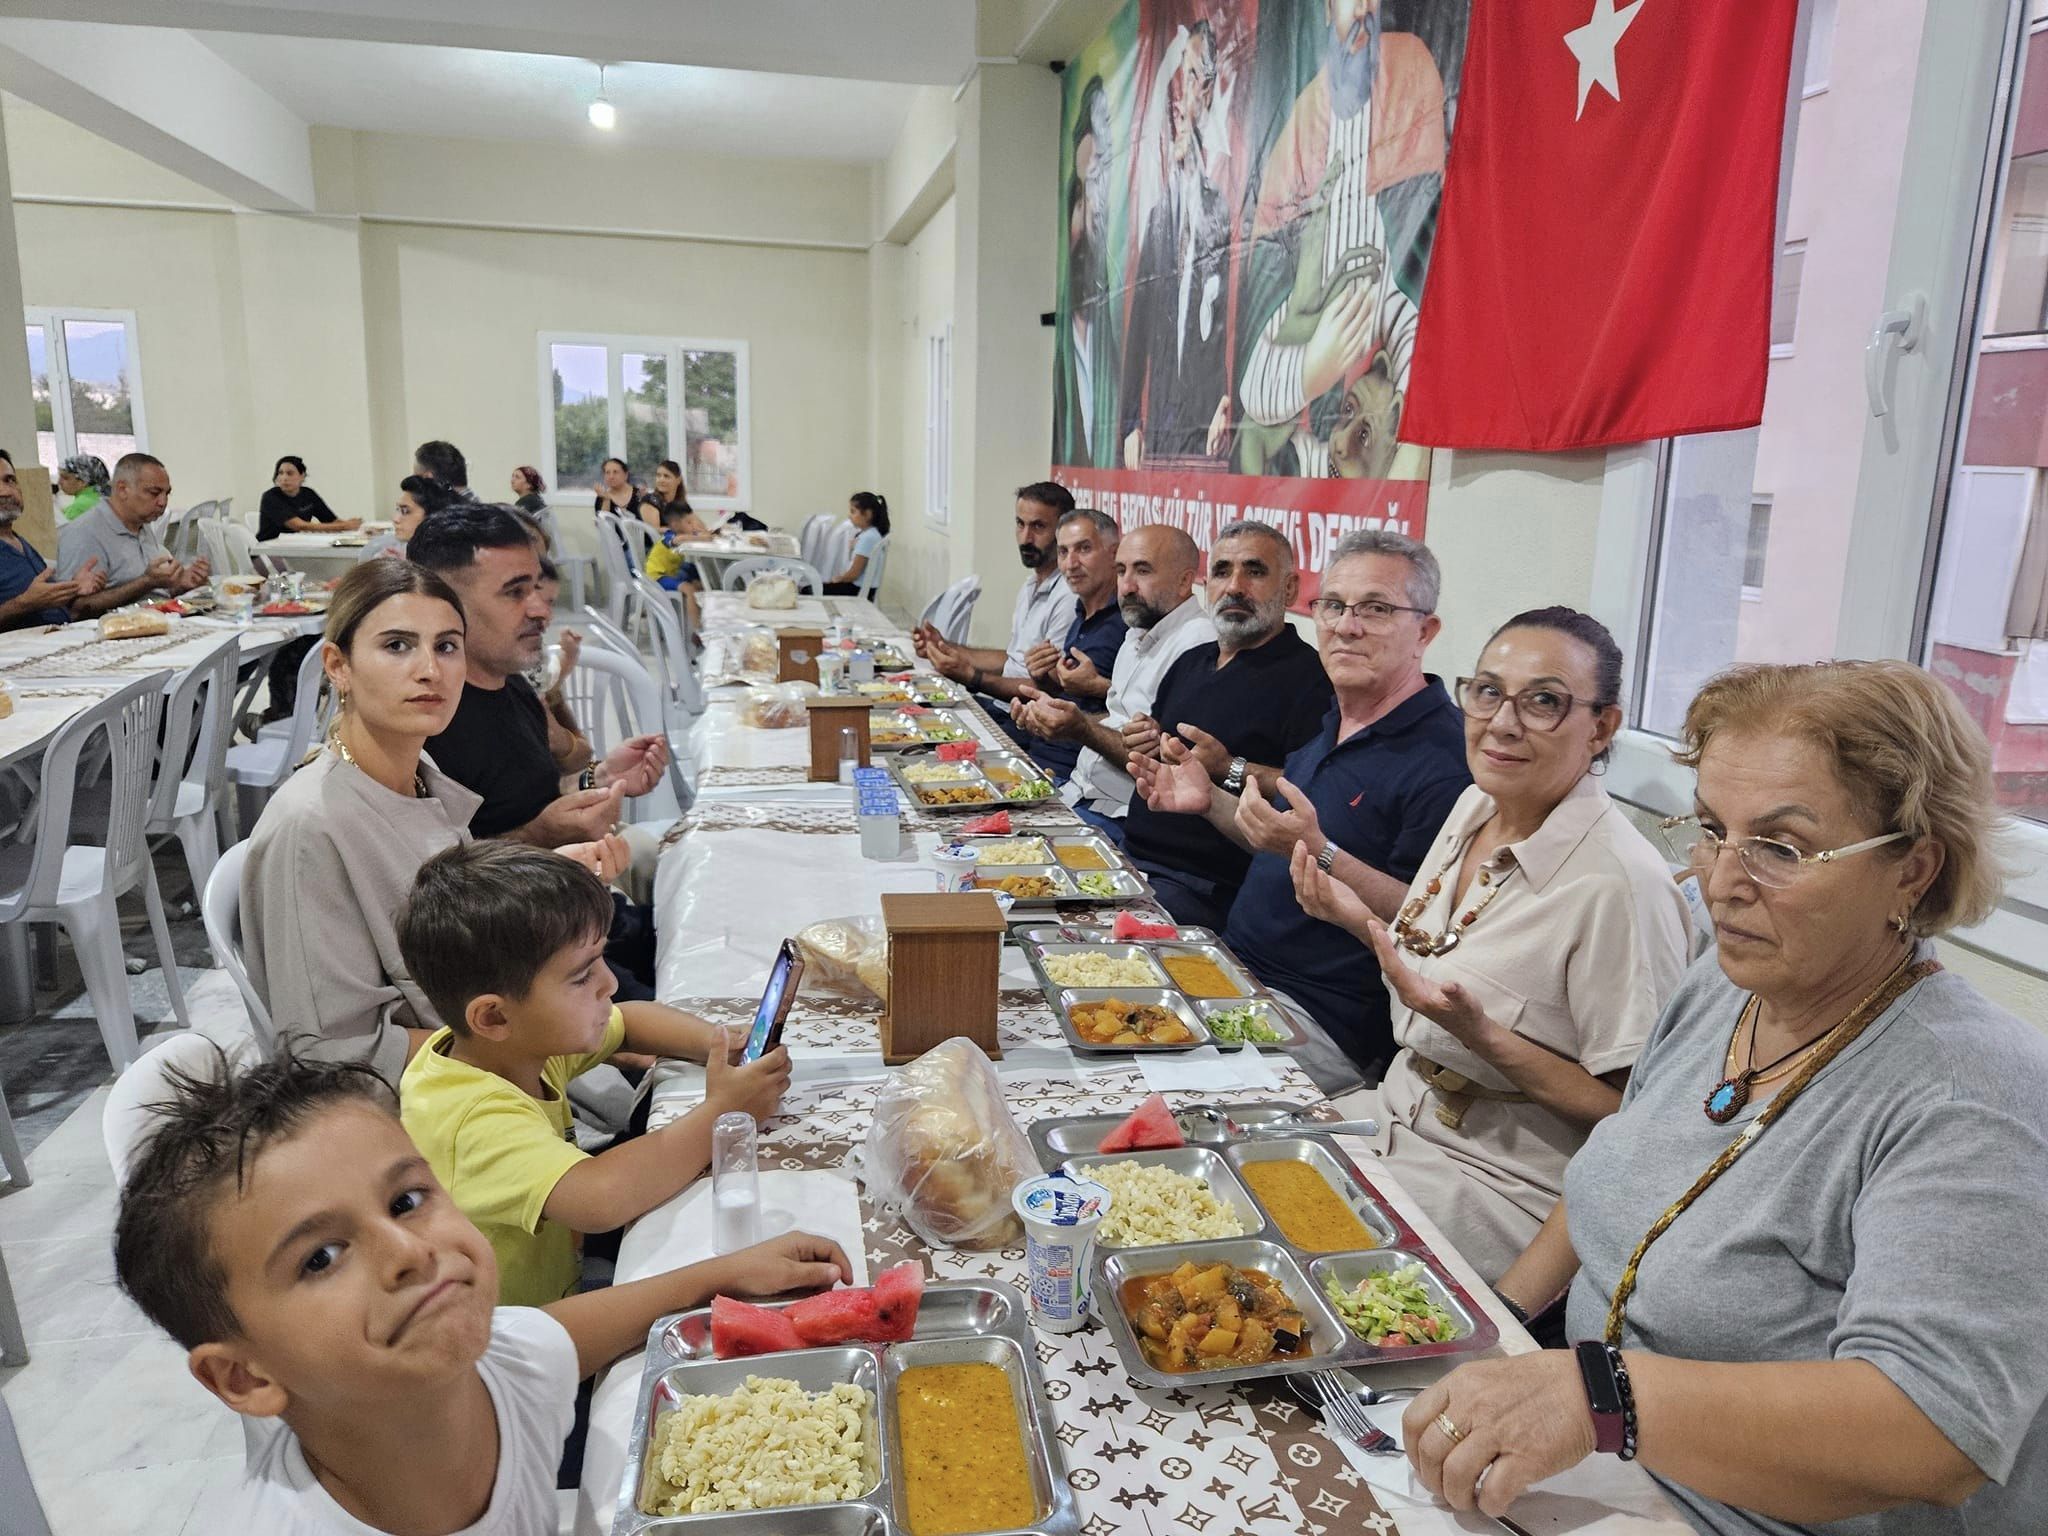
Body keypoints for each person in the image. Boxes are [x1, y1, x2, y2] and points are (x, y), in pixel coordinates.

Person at [1407, 661, 2048, 1535]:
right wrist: (1499, 1329)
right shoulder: (1726, 983)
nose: (1719, 880)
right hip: (1620, 1468)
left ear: (1914, 871)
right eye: (1710, 829)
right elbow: (1617, 1168)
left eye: (1780, 847)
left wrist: (1602, 1397)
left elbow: (1930, 1435)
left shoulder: (1971, 1094)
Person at [114, 1053, 851, 1535]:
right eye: (322, 1257)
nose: (409, 1251)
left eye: (405, 1201)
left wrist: (718, 1274)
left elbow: (563, 1333)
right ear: (245, 1377)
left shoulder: (497, 1369)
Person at [1290, 608, 1692, 1283]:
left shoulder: (1621, 887)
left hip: (1491, 1187)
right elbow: (1435, 959)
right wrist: (1356, 918)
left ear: (1603, 727)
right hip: (1391, 1115)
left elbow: (1639, 1120)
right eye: (1487, 691)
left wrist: (1483, 1034)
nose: (1503, 723)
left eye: (1544, 702)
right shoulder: (1476, 805)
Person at [241, 560, 629, 1087]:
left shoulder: (419, 775)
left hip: (497, 1060)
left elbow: (455, 940)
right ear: (338, 666)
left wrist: (542, 882)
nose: (431, 669)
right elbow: (332, 1054)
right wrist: (542, 1041)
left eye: (447, 646)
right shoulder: (311, 827)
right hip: (432, 1116)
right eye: (397, 645)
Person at [1134, 529, 1469, 1082]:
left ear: (1424, 632)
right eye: (1333, 606)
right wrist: (1210, 801)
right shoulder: (1335, 721)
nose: (1346, 625)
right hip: (1231, 969)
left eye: (1377, 609)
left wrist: (1326, 852)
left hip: (1320, 1017)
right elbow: (1283, 845)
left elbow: (1432, 928)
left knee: (1133, 1076)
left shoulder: (1445, 761)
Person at [396, 843, 791, 1308]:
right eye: (582, 977)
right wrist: (722, 1111)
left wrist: (721, 1044)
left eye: (602, 959)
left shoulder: (513, 1045)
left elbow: (631, 1022)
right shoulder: (468, 1118)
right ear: (494, 1017)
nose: (610, 982)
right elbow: (601, 1198)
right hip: (512, 1343)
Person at [408, 504, 669, 996]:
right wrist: (540, 835)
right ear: (443, 604)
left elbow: (538, 792)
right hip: (527, 961)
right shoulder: (426, 721)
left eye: (536, 587)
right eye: (515, 592)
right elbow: (430, 889)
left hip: (577, 913)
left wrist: (601, 778)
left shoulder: (512, 686)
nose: (541, 608)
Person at [1235, 0, 1448, 479]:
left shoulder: (1409, 68)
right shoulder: (1301, 119)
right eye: (1352, 0)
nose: (1365, 8)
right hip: (1310, 363)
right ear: (1328, 10)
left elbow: (1415, 286)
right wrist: (1312, 364)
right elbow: (1258, 367)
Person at [1119, 521, 1334, 925]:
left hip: (1204, 885)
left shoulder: (1310, 679)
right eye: (1221, 571)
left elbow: (1312, 792)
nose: (1234, 586)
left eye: (1254, 571)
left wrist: (1229, 768)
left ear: (1289, 588)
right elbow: (1162, 761)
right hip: (1129, 854)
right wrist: (1144, 739)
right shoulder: (1189, 662)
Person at [1015, 525, 1215, 844]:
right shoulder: (1137, 629)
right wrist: (1053, 714)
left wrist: (1080, 727)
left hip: (1118, 818)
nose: (1127, 585)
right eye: (1121, 571)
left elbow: (1163, 761)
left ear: (1184, 580)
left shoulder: (1198, 644)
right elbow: (1116, 723)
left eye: (1143, 570)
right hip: (1077, 793)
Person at [1120, 20, 1231, 467]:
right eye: (1183, 77)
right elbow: (1139, 327)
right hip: (1161, 424)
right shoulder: (1160, 215)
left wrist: (1228, 402)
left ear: (1209, 94)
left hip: (1207, 426)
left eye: (1197, 80)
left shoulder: (1222, 206)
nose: (1186, 97)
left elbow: (1228, 324)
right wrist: (1129, 422)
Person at [913, 481, 1076, 718]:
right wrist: (944, 647)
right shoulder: (1031, 584)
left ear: (1062, 531)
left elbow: (1048, 688)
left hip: (1025, 721)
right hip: (1002, 706)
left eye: (1038, 526)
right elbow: (1013, 659)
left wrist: (971, 676)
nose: (1026, 538)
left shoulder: (1067, 596)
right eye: (1020, 524)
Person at [1002, 508, 1126, 779]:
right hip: (1037, 754)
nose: (1071, 564)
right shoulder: (1080, 611)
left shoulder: (1128, 621)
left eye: (1083, 549)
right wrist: (1043, 682)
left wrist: (1098, 687)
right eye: (1063, 552)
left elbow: (1141, 714)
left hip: (1077, 774)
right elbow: (1070, 697)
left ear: (1114, 553)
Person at [54, 450, 210, 615]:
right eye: (154, 493)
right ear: (122, 489)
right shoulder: (84, 533)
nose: (163, 502)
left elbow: (154, 592)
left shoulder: (140, 523)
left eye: (166, 494)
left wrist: (180, 583)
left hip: (159, 621)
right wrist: (147, 582)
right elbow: (76, 609)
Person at [0, 449, 104, 629]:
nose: (4, 491)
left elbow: (43, 602)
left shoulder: (18, 542)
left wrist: (72, 589)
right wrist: (24, 603)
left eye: (9, 480)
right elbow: (31, 601)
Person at [259, 455, 359, 540]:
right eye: (280, 473)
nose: (284, 478)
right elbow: (299, 526)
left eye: (290, 473)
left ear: (302, 476)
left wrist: (360, 527)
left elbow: (331, 520)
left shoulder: (308, 494)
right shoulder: (270, 497)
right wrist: (344, 526)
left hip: (296, 545)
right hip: (268, 551)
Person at [823, 491, 889, 597]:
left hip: (856, 590)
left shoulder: (868, 538)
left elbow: (853, 574)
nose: (849, 516)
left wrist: (838, 579)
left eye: (853, 512)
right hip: (862, 589)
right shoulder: (871, 534)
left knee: (809, 590)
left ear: (867, 514)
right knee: (818, 587)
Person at [593, 457, 657, 529]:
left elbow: (652, 525)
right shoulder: (602, 497)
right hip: (615, 540)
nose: (611, 476)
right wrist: (606, 500)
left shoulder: (640, 494)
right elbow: (601, 527)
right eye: (607, 472)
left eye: (615, 472)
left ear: (626, 475)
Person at [55, 453, 110, 522]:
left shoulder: (79, 506)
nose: (59, 482)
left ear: (83, 481)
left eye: (65, 478)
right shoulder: (105, 496)